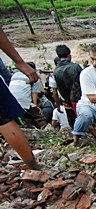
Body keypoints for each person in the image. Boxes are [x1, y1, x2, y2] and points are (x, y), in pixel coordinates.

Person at [0, 27, 41, 170]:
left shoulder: (14, 77)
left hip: (18, 102)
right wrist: (20, 62)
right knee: (5, 119)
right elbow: (34, 97)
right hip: (24, 106)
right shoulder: (28, 77)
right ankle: (33, 166)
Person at [9, 61, 47, 129]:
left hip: (11, 103)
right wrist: (36, 106)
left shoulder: (14, 75)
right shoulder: (34, 76)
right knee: (41, 119)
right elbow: (34, 93)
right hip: (24, 103)